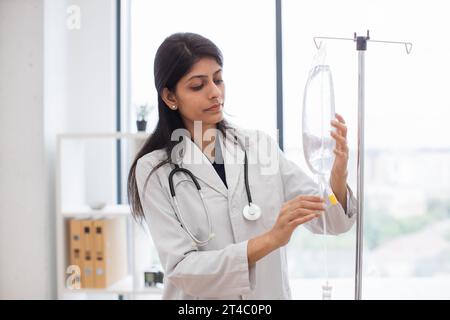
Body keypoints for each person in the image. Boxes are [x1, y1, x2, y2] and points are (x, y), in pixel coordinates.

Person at [127, 32, 357, 300]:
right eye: (197, 85)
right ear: (169, 97)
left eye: (218, 79)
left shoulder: (259, 145)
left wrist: (338, 174)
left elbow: (331, 221)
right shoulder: (154, 170)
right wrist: (270, 240)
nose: (215, 92)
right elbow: (182, 269)